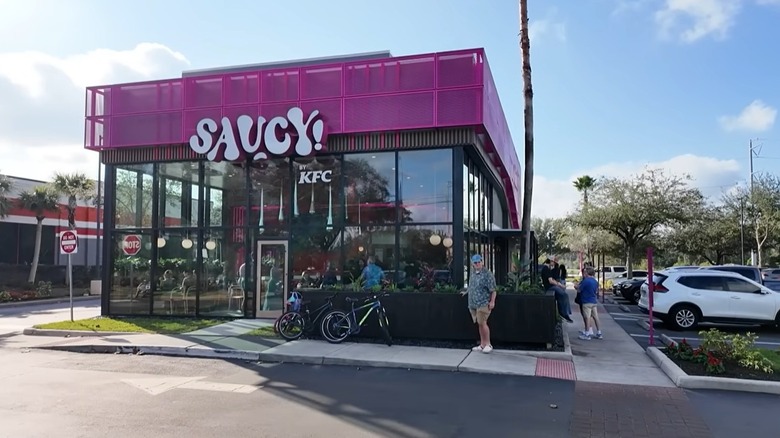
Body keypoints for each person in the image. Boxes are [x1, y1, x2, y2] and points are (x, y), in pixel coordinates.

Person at [460, 254, 497, 353]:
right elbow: (472, 286)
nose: (477, 264)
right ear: (473, 264)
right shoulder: (473, 273)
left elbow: (493, 290)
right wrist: (466, 292)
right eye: (475, 262)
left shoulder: (487, 274)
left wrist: (492, 301)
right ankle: (482, 344)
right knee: (479, 324)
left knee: (483, 323)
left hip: (483, 303)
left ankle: (488, 344)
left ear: (482, 262)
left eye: (479, 262)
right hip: (473, 303)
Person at [542, 257, 574, 323]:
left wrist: (559, 284)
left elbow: (552, 279)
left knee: (561, 296)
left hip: (551, 286)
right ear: (550, 261)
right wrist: (559, 285)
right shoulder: (546, 269)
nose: (554, 264)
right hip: (550, 287)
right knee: (564, 295)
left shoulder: (548, 269)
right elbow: (551, 281)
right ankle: (564, 313)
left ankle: (563, 312)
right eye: (553, 262)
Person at [577, 267, 603, 340]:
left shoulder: (585, 281)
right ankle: (599, 332)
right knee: (596, 317)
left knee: (587, 318)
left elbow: (579, 290)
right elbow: (597, 291)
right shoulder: (595, 281)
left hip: (586, 302)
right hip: (593, 301)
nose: (584, 274)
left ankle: (587, 334)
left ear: (587, 273)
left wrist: (576, 287)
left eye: (585, 272)